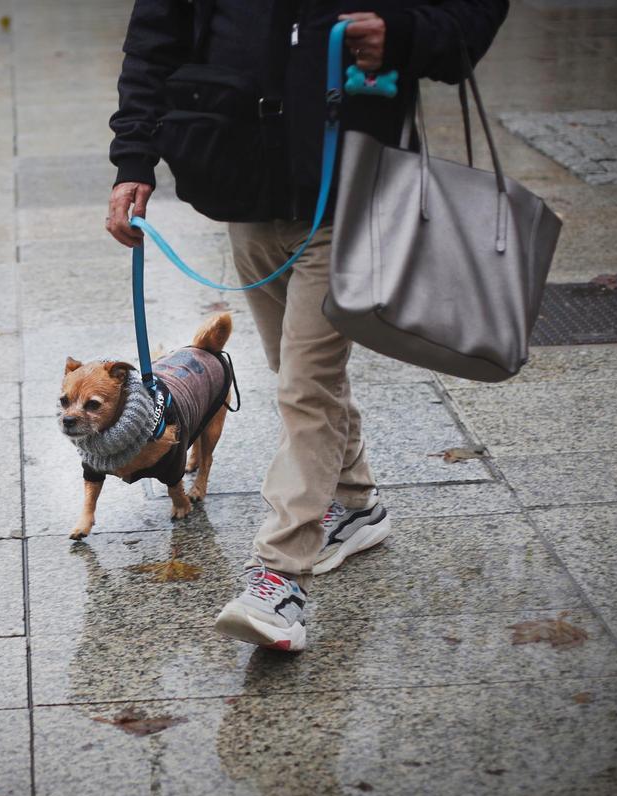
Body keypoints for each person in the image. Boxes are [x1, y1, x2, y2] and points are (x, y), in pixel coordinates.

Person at [107, 0, 508, 651]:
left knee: (305, 387)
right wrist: (134, 160)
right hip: (240, 181)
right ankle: (358, 503)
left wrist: (403, 34)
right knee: (294, 372)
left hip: (351, 185)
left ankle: (278, 578)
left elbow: (471, 13)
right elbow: (156, 35)